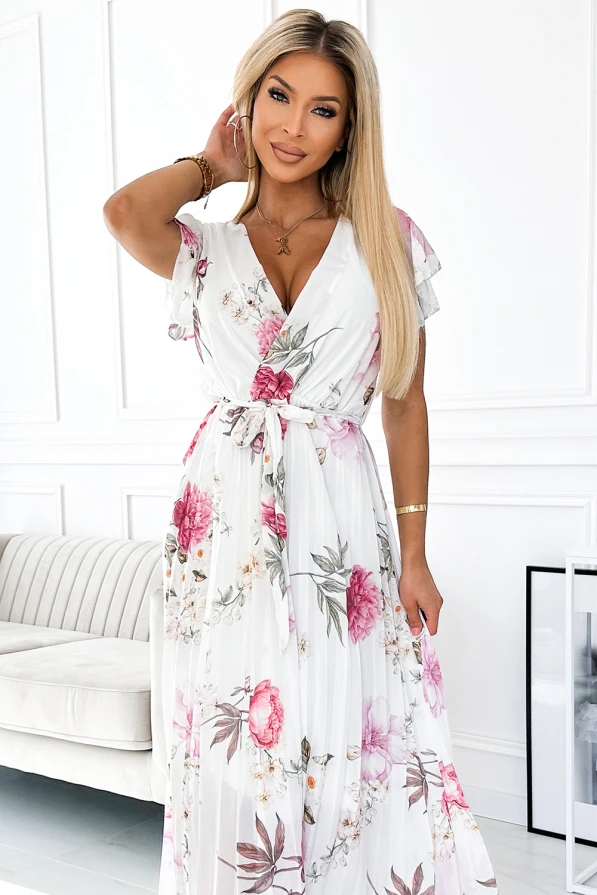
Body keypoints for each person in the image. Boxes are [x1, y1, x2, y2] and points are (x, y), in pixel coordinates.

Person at [103, 9, 498, 895]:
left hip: (338, 516)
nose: (292, 127)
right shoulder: (204, 246)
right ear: (246, 101)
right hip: (224, 520)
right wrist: (212, 167)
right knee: (231, 731)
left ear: (348, 129)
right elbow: (123, 212)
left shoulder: (384, 240)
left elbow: (403, 401)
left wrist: (415, 553)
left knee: (343, 722)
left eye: (323, 109)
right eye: (277, 96)